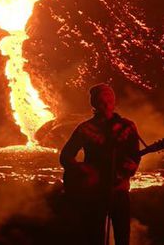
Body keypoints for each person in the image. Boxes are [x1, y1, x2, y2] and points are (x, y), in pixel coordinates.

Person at [60, 83, 141, 245]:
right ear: (94, 103)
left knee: (122, 235)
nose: (106, 104)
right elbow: (66, 156)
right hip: (94, 192)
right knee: (95, 236)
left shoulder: (127, 127)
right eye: (102, 100)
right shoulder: (85, 129)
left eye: (109, 100)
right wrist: (85, 171)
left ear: (114, 102)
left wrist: (121, 176)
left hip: (119, 190)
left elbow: (135, 156)